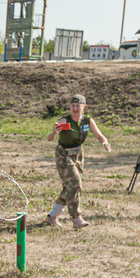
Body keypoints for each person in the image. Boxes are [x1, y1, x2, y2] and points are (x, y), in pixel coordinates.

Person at [44, 94, 111, 228]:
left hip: (77, 155)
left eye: (78, 106)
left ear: (83, 107)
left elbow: (99, 135)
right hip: (63, 155)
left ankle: (52, 216)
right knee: (75, 183)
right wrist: (54, 132)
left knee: (70, 186)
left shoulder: (87, 120)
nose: (75, 108)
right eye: (73, 106)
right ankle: (76, 218)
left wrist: (105, 143)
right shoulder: (64, 120)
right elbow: (49, 138)